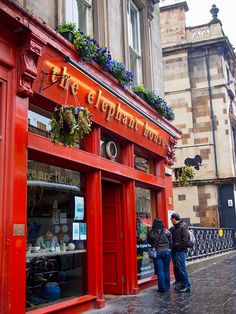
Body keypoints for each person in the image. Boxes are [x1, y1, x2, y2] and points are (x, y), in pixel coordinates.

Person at [147, 218, 171, 293]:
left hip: (157, 253)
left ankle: (162, 288)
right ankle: (167, 287)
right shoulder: (167, 231)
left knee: (160, 271)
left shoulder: (151, 233)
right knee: (166, 269)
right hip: (167, 252)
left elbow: (149, 241)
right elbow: (171, 241)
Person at [170, 212, 191, 293]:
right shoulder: (173, 228)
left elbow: (185, 241)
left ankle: (186, 286)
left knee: (182, 268)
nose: (170, 220)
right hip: (175, 251)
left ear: (174, 219)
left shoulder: (183, 227)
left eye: (171, 219)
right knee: (177, 268)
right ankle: (180, 284)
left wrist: (176, 245)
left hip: (180, 251)